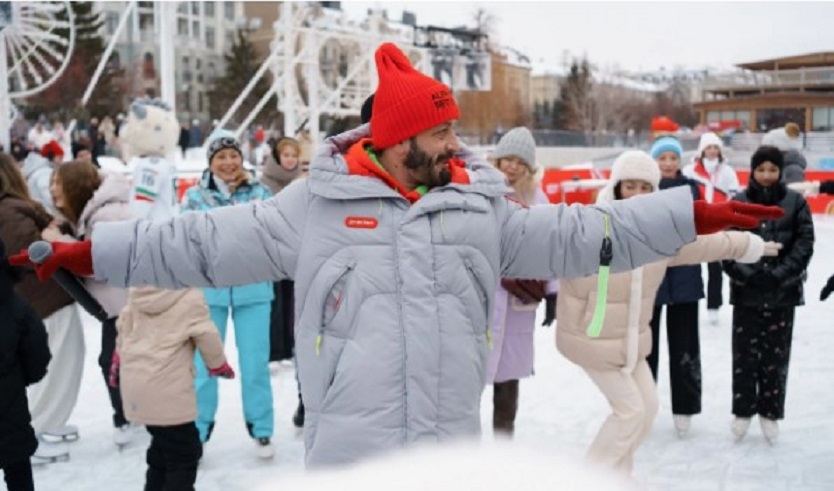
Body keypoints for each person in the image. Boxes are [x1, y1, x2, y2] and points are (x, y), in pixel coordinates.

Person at [10, 43, 783, 468]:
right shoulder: (311, 206)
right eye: (442, 132)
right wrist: (90, 248)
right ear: (399, 138)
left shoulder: (482, 207)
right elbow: (198, 242)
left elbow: (584, 234)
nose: (456, 143)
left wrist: (686, 208)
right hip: (352, 453)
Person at [556, 150, 779, 474]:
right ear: (617, 187)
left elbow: (704, 244)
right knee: (630, 413)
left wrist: (750, 245)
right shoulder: (592, 224)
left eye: (645, 187)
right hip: (591, 337)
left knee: (646, 410)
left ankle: (620, 477)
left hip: (631, 341)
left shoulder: (658, 234)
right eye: (629, 186)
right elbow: (551, 246)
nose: (636, 195)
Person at [181, 131, 276, 459]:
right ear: (210, 162)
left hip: (254, 290)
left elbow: (271, 234)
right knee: (206, 364)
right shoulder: (195, 197)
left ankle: (262, 429)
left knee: (255, 364)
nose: (229, 163)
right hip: (211, 292)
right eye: (221, 157)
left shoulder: (260, 191)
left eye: (233, 155)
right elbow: (184, 239)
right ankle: (199, 431)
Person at [722, 146, 814, 443]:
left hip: (782, 294)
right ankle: (743, 410)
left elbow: (804, 243)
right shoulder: (738, 202)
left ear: (780, 171)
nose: (766, 175)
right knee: (745, 356)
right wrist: (751, 275)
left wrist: (779, 275)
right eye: (760, 169)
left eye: (772, 169)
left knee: (775, 357)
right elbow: (727, 245)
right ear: (752, 171)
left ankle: (770, 412)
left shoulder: (795, 203)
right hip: (747, 293)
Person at [0, 153, 84, 461]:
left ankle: (48, 420)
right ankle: (36, 427)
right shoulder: (9, 210)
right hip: (44, 299)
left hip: (44, 299)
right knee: (58, 365)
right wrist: (55, 236)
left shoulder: (10, 207)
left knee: (63, 363)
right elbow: (29, 252)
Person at [45, 161, 135, 446]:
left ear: (75, 186)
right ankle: (131, 414)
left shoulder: (108, 215)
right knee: (115, 361)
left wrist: (59, 242)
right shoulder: (93, 213)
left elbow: (100, 262)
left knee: (115, 361)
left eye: (57, 183)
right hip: (116, 303)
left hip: (128, 303)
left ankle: (129, 417)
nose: (52, 190)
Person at [113, 286, 234, 491]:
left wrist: (118, 358)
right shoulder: (190, 296)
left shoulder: (137, 293)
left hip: (137, 384)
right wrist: (217, 364)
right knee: (184, 453)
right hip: (169, 389)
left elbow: (123, 326)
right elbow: (206, 333)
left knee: (162, 446)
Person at [487, 127, 557, 437]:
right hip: (483, 297)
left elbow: (550, 247)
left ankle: (504, 440)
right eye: (508, 160)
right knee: (467, 376)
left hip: (517, 303)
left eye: (520, 162)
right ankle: (460, 450)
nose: (513, 167)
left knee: (508, 377)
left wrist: (553, 292)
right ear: (498, 160)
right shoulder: (480, 190)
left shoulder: (538, 200)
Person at [646, 136, 705, 437]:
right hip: (649, 279)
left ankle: (685, 409)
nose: (668, 163)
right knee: (646, 348)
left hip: (684, 276)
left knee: (685, 347)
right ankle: (644, 406)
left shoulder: (691, 188)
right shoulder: (644, 187)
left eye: (672, 157)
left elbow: (699, 227)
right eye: (662, 158)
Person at [261, 136, 305, 427]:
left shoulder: (305, 183)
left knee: (299, 312)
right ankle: (277, 348)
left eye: (294, 154)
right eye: (285, 154)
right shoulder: (265, 185)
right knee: (276, 304)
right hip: (276, 253)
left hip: (303, 257)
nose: (289, 159)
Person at [0, 239, 51, 491]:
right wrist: (19, 377)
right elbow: (38, 356)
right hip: (10, 411)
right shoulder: (17, 307)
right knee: (19, 477)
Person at [682, 132, 740, 326]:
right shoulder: (690, 171)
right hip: (695, 224)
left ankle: (714, 306)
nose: (712, 151)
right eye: (709, 147)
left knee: (715, 268)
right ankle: (689, 303)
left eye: (716, 147)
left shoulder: (727, 172)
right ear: (702, 150)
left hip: (717, 225)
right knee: (692, 267)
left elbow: (734, 197)